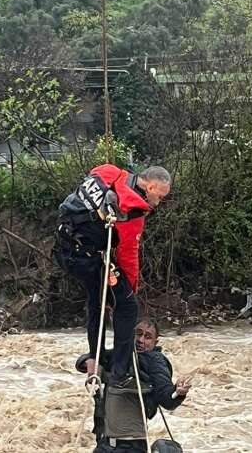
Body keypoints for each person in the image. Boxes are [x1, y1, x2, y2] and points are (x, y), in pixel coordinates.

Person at [55, 164, 171, 392]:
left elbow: (90, 181)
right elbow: (128, 255)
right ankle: (120, 373)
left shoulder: (108, 171)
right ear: (150, 187)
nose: (159, 202)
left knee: (97, 300)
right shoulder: (133, 210)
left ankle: (95, 355)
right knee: (127, 306)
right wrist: (131, 289)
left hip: (64, 247)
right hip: (88, 258)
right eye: (160, 196)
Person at [77, 318, 192, 452]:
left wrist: (178, 392)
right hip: (105, 443)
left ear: (155, 343)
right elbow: (85, 360)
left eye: (147, 337)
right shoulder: (118, 356)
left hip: (132, 445)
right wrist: (89, 363)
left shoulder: (155, 361)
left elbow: (166, 398)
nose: (141, 340)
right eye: (138, 333)